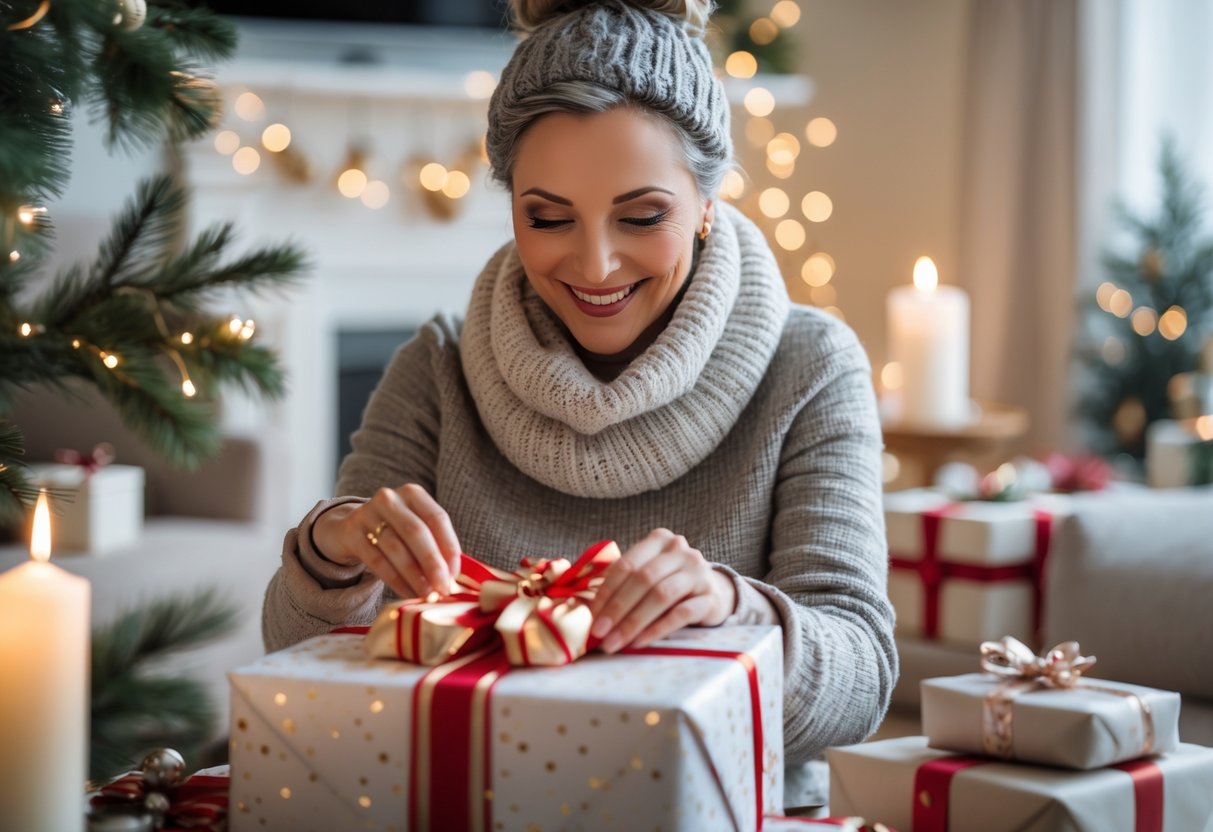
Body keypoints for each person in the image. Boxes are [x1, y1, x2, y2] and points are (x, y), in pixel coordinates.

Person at [262, 0, 896, 807]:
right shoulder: (437, 364)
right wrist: (333, 548)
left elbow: (862, 680)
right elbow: (295, 656)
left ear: (707, 201)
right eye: (547, 217)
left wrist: (730, 607)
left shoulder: (811, 365)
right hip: (461, 799)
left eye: (641, 215)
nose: (594, 265)